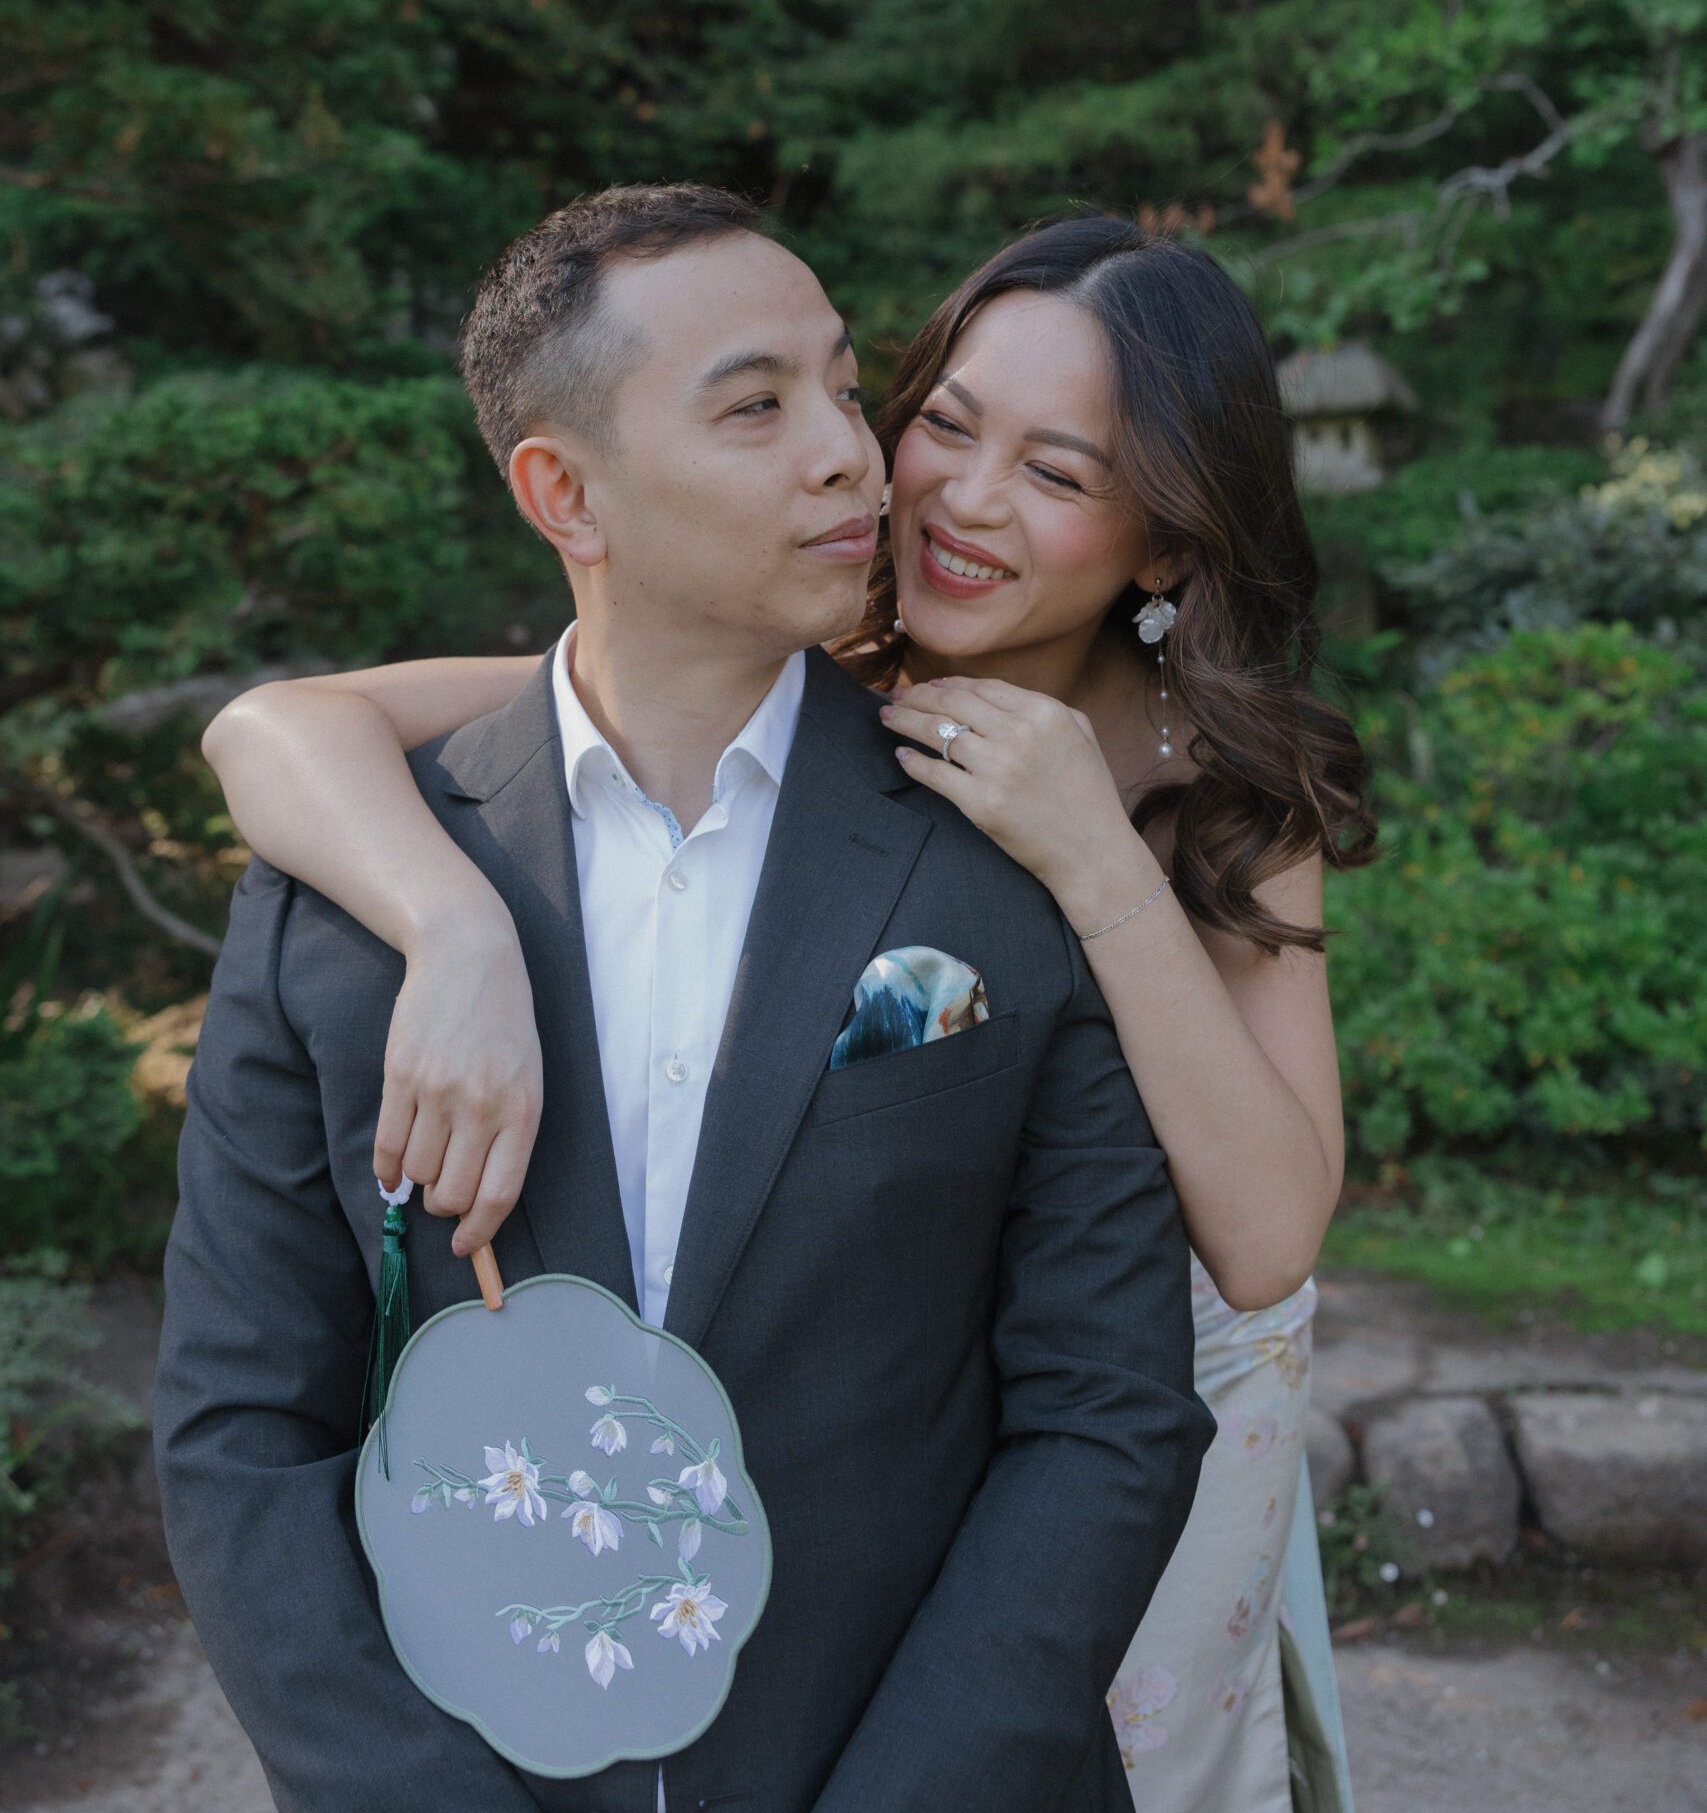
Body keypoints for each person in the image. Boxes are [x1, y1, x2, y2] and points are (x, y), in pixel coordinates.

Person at [203, 206, 1372, 1812]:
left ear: (1164, 540)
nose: (949, 494)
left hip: (1174, 1393)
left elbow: (1261, 1243)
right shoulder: (807, 661)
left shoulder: (1214, 802)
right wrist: (453, 921)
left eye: (1059, 471)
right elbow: (287, 730)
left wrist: (1097, 857)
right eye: (944, 425)